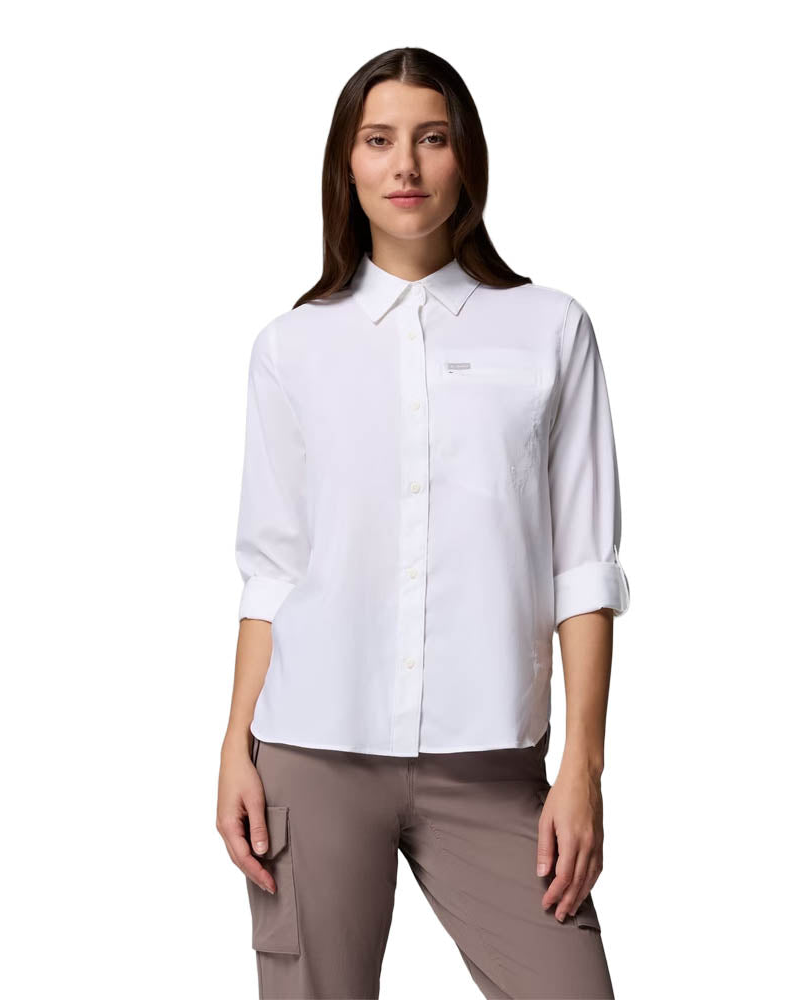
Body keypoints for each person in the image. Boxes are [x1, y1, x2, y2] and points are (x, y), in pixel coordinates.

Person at [216, 46, 630, 1000]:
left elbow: (584, 566)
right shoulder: (291, 347)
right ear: (347, 163)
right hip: (312, 752)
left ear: (465, 158)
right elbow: (272, 569)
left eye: (431, 138)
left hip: (489, 762)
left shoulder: (549, 330)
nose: (405, 165)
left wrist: (583, 767)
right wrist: (236, 745)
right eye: (379, 140)